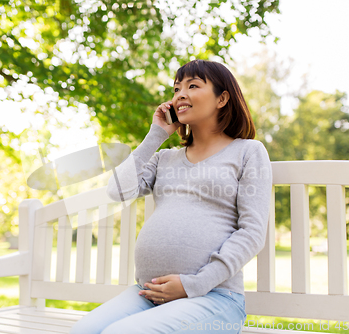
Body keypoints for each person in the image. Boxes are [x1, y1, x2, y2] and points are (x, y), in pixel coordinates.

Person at [70, 59, 272, 334]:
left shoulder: (248, 152)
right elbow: (117, 191)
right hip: (148, 295)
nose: (180, 95)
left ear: (222, 98)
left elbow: (252, 232)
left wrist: (194, 284)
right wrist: (156, 136)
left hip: (214, 298)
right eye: (176, 89)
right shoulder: (164, 158)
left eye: (192, 86)